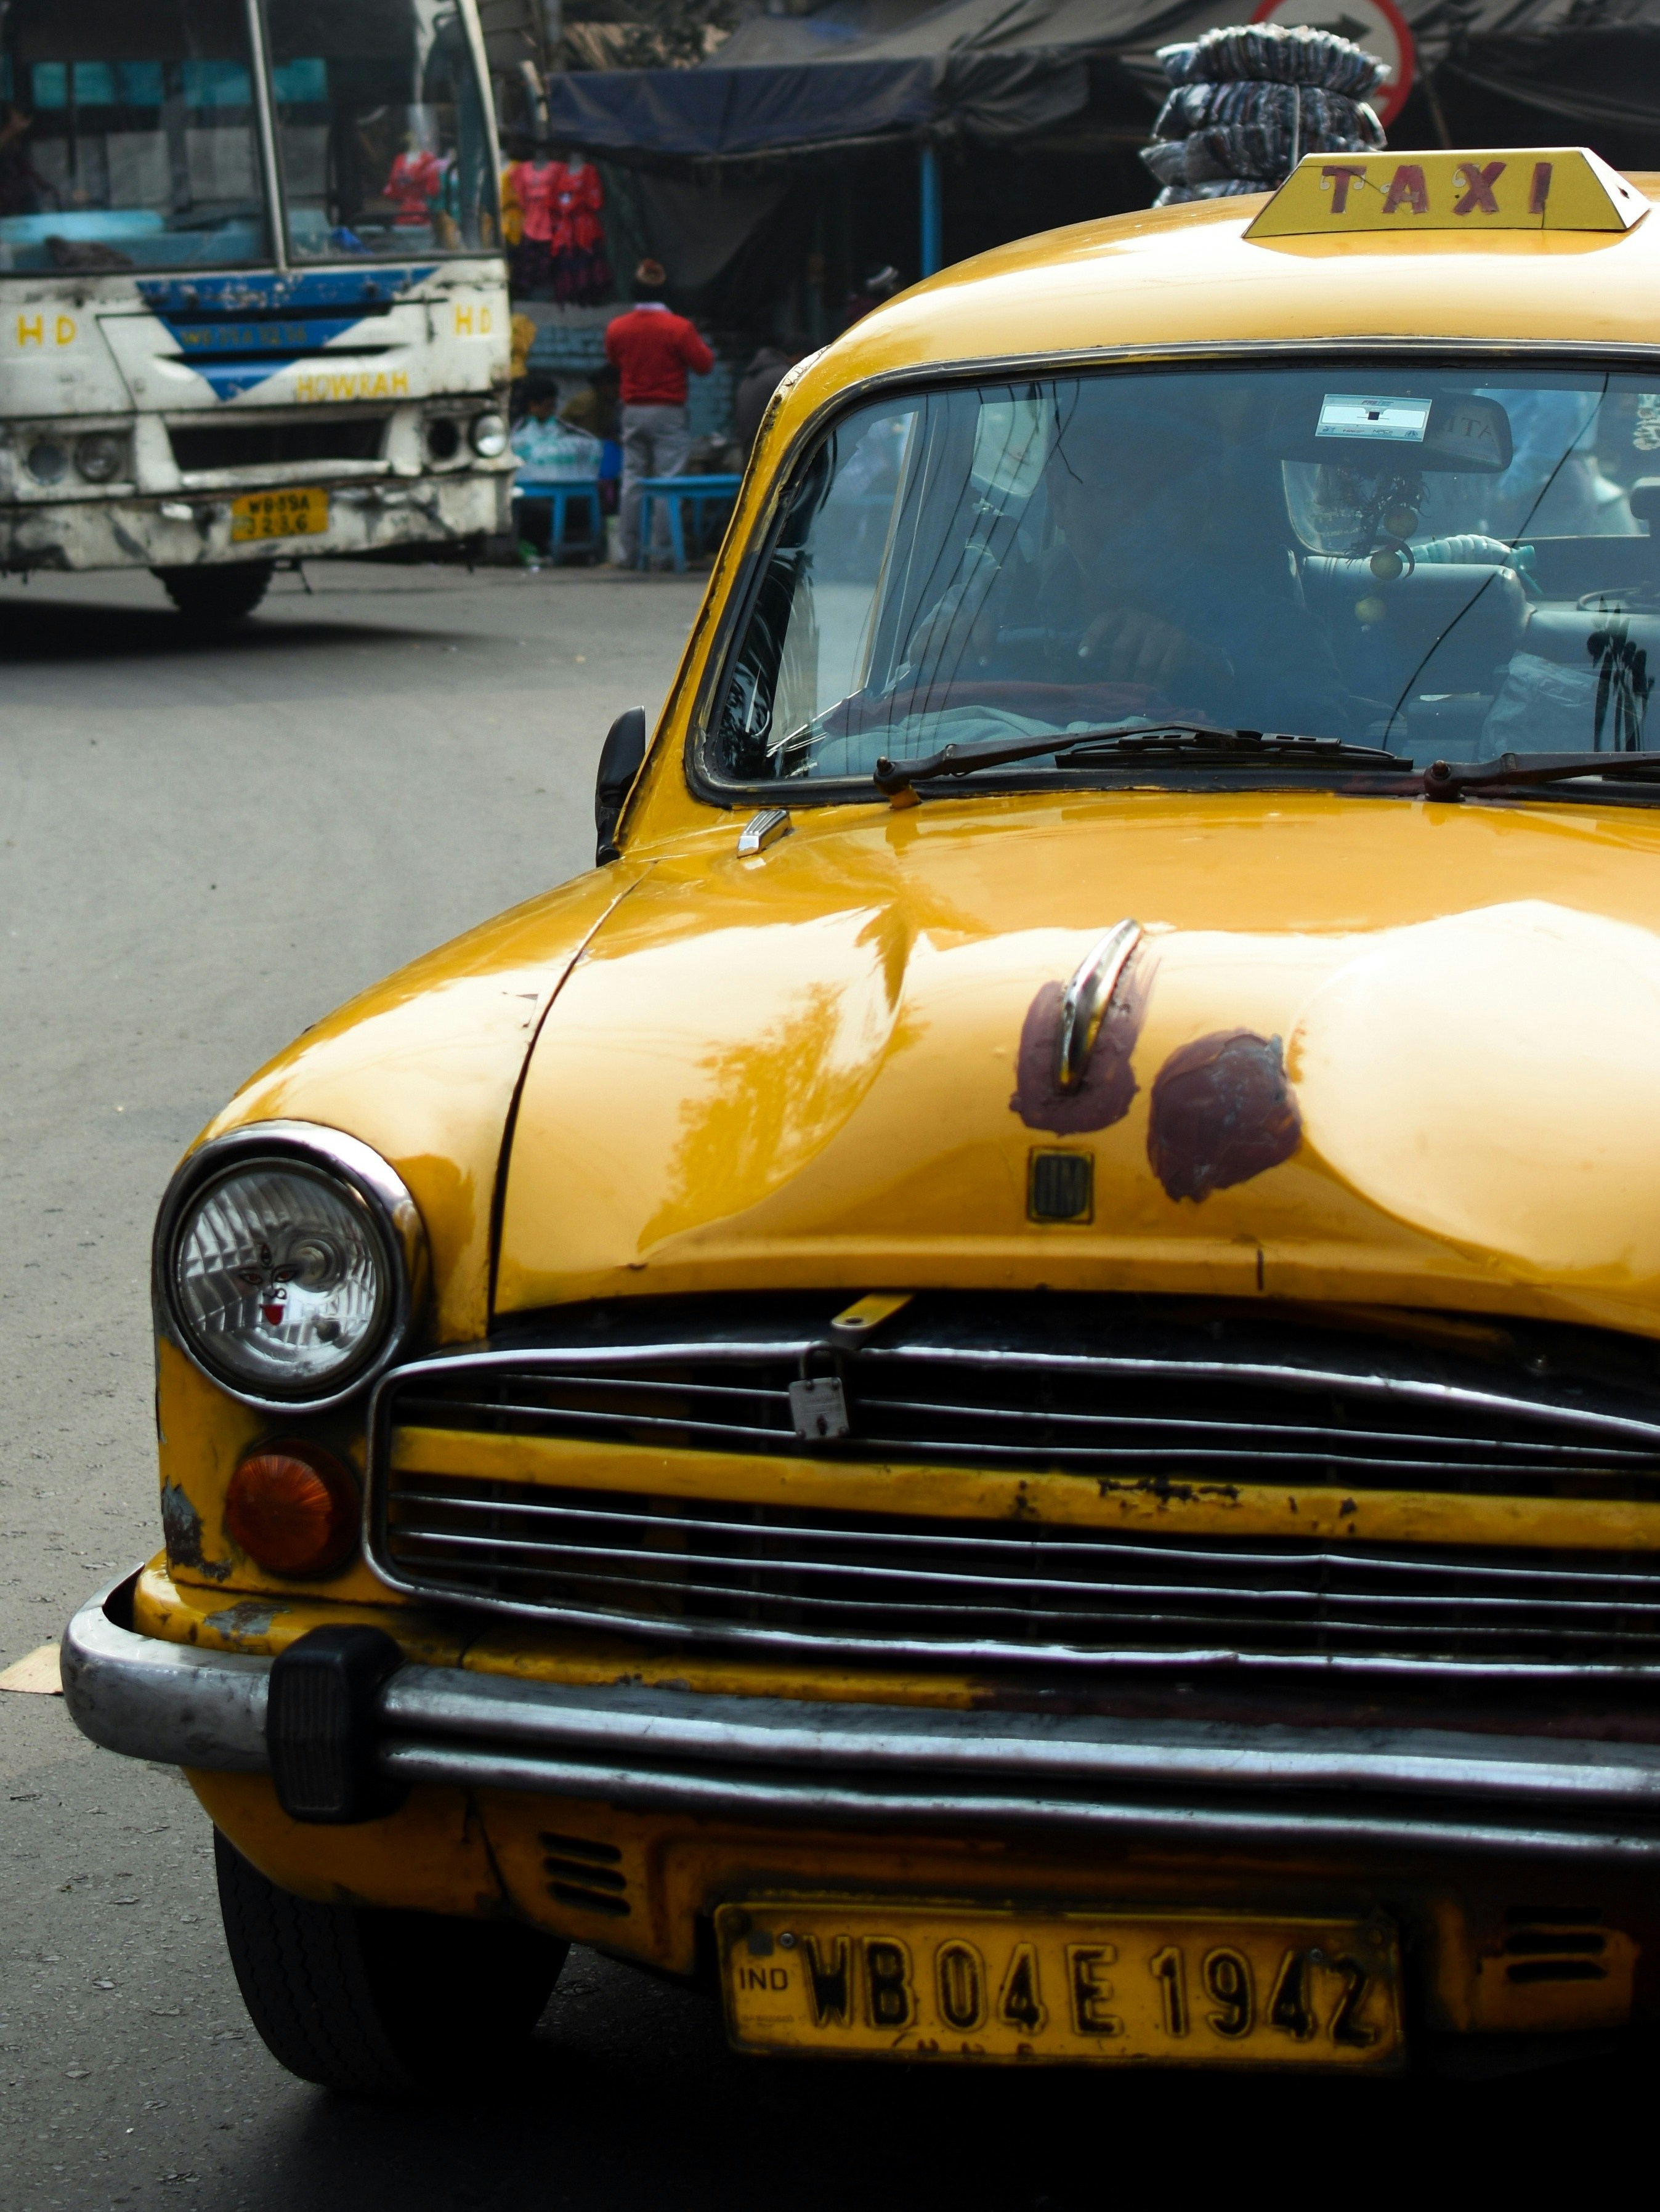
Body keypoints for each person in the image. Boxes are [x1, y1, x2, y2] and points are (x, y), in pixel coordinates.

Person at [605, 259, 713, 567]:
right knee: (669, 482)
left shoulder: (618, 328)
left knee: (632, 481)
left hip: (632, 411)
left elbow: (614, 361)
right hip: (668, 413)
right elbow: (704, 365)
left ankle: (628, 554)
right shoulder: (678, 328)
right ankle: (665, 553)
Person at [734, 339, 808, 458]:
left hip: (753, 456)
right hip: (774, 456)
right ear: (801, 357)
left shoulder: (750, 379)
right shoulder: (786, 377)